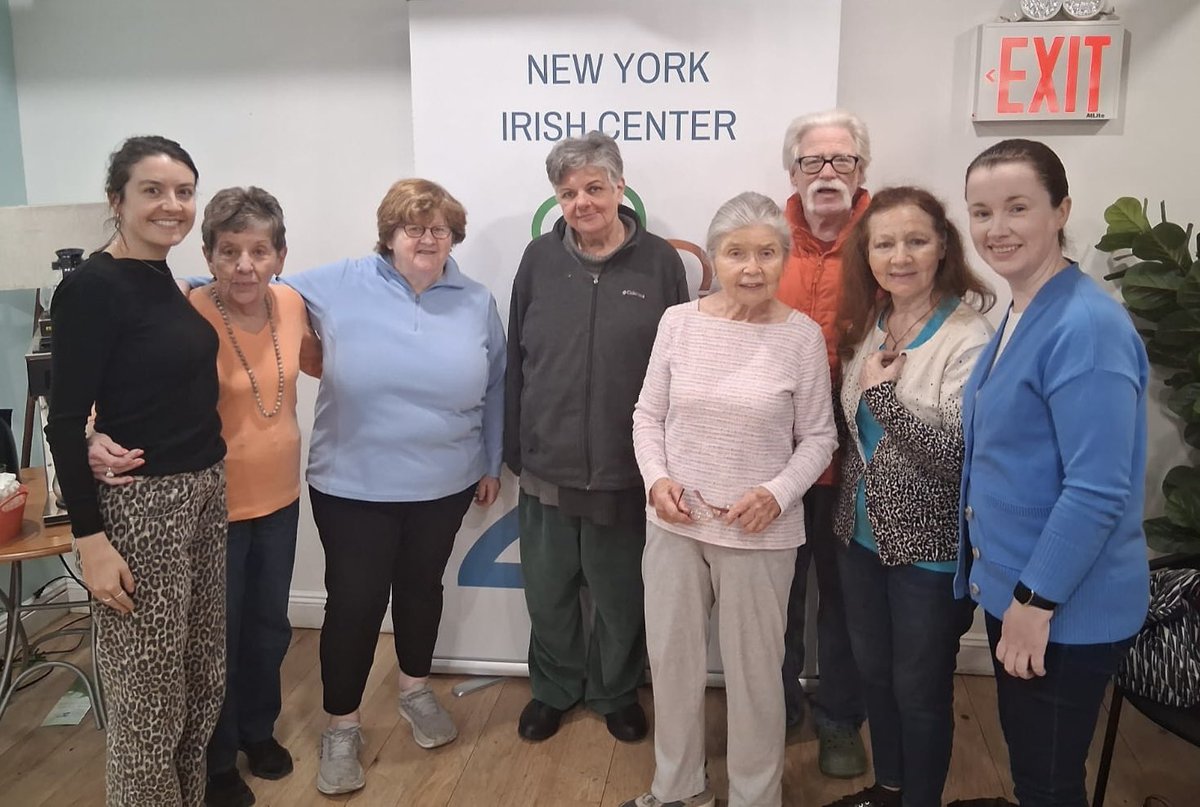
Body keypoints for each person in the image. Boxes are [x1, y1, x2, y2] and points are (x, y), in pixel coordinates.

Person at [88, 187, 322, 807]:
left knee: (269, 629)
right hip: (205, 504)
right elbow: (112, 379)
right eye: (229, 252)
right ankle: (217, 760)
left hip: (280, 498)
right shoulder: (185, 309)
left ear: (279, 255)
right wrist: (90, 435)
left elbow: (328, 361)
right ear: (209, 257)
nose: (245, 265)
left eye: (259, 251)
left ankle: (258, 732)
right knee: (213, 640)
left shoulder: (294, 303)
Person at [287, 179, 505, 795]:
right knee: (354, 604)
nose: (428, 239)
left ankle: (414, 689)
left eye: (440, 229)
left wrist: (491, 462)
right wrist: (183, 286)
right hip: (353, 484)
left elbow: (496, 387)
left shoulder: (474, 298)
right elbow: (248, 287)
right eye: (414, 228)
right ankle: (341, 725)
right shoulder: (339, 282)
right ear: (389, 235)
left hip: (446, 481)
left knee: (420, 590)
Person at [625, 191, 838, 807]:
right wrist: (656, 479)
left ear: (784, 259)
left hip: (759, 535)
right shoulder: (677, 322)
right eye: (736, 252)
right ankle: (677, 789)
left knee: (755, 680)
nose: (751, 267)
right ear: (713, 257)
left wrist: (777, 493)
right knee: (672, 667)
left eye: (767, 253)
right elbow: (647, 415)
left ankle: (754, 797)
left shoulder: (801, 338)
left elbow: (820, 437)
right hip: (674, 525)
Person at [958, 139, 1150, 807]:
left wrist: (1035, 603)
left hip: (1063, 606)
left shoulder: (1086, 325)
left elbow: (1097, 490)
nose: (996, 228)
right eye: (981, 211)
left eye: (1018, 207)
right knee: (1033, 765)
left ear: (1061, 209)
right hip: (1023, 594)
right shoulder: (1021, 308)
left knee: (1046, 782)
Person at [45, 135, 227, 807]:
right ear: (116, 200)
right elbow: (64, 420)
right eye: (153, 190)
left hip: (204, 489)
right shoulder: (92, 288)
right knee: (148, 702)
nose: (172, 205)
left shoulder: (163, 279)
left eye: (183, 191)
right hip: (143, 509)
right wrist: (89, 541)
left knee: (201, 680)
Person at [504, 131, 688, 744]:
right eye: (568, 192)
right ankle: (554, 689)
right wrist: (514, 445)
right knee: (549, 592)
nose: (582, 202)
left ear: (618, 185)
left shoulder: (661, 262)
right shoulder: (537, 260)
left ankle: (615, 692)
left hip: (625, 466)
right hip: (547, 462)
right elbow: (516, 356)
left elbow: (677, 368)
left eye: (593, 188)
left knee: (618, 595)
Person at [824, 187, 994, 807]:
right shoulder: (871, 322)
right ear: (866, 255)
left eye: (916, 241)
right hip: (860, 539)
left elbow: (958, 458)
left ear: (942, 247)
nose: (900, 256)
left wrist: (885, 400)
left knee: (919, 689)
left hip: (929, 548)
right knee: (875, 677)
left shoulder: (969, 336)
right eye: (885, 243)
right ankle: (889, 788)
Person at [776, 108, 871, 777]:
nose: (828, 173)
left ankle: (841, 719)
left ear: (863, 169)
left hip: (860, 449)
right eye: (814, 161)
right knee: (775, 588)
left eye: (843, 160)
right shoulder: (762, 236)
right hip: (773, 449)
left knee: (846, 600)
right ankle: (774, 702)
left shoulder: (892, 235)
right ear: (793, 171)